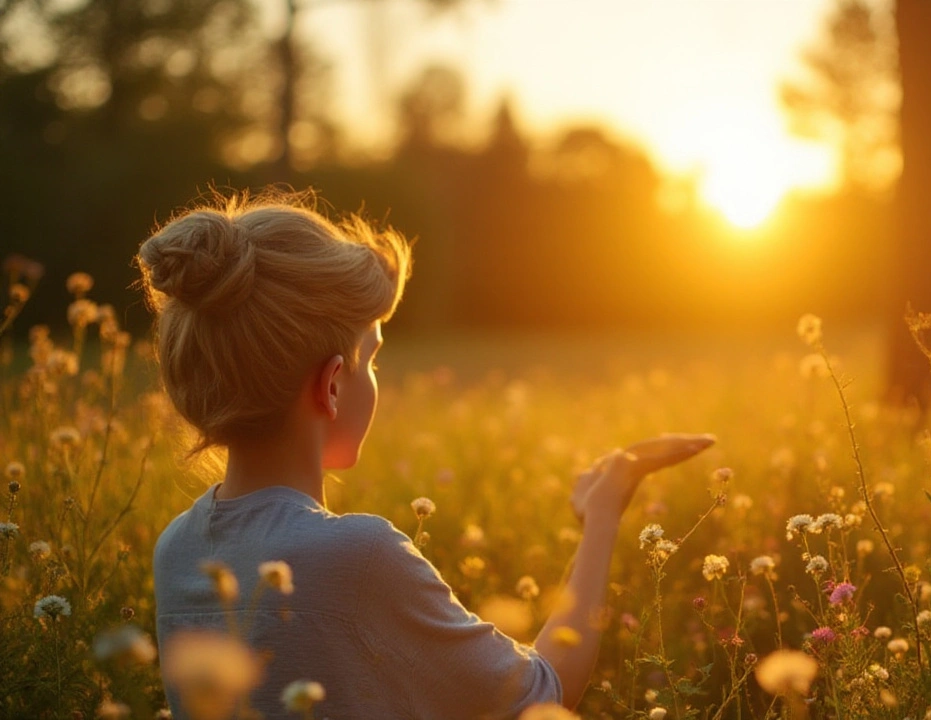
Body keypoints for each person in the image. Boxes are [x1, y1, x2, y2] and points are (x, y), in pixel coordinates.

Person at [140, 191, 714, 719]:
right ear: (333, 385)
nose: (376, 378)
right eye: (373, 359)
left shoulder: (176, 549)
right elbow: (545, 694)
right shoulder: (357, 558)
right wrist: (603, 515)